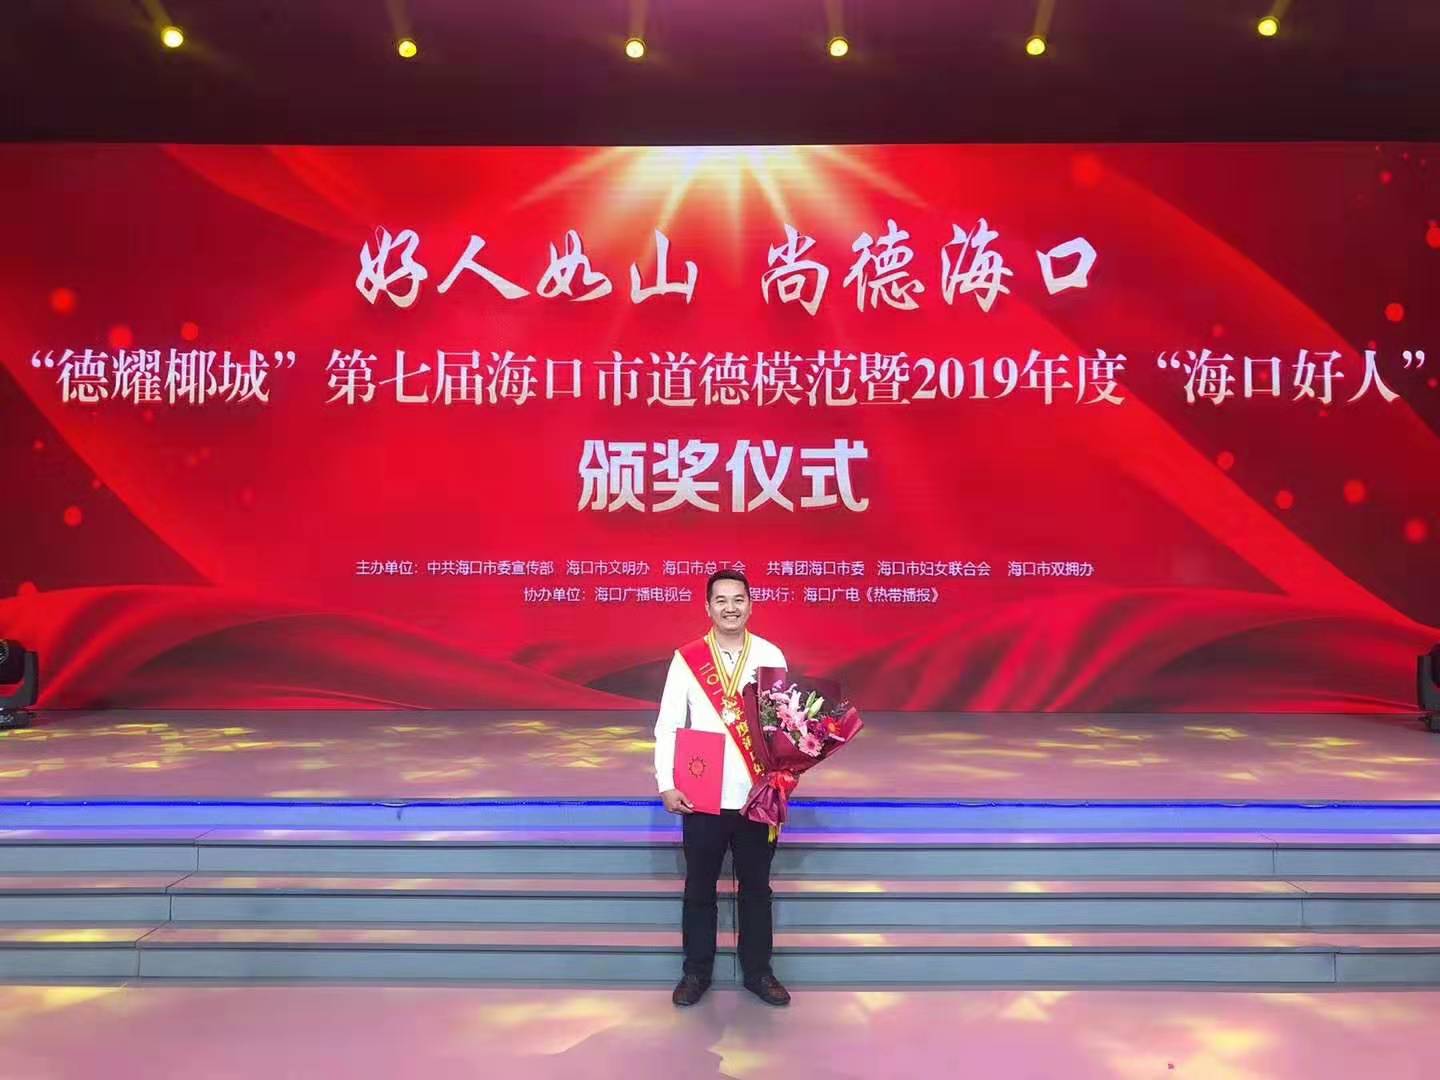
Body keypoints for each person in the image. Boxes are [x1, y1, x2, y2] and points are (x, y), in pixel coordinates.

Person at [654, 568, 792, 1008]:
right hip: (702, 791)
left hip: (756, 794)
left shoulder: (770, 654)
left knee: (757, 890)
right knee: (699, 889)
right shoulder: (687, 658)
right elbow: (668, 724)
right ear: (708, 607)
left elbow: (783, 726)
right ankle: (696, 973)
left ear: (750, 605)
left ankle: (759, 972)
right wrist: (666, 783)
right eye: (721, 600)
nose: (730, 608)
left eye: (738, 599)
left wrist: (784, 775)